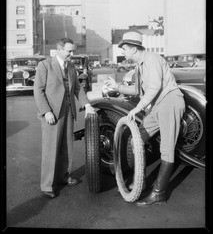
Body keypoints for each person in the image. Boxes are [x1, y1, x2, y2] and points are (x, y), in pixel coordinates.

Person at [105, 31, 185, 206]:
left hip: (169, 102)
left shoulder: (152, 59)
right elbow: (136, 91)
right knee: (137, 138)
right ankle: (139, 180)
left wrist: (138, 109)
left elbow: (155, 86)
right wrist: (117, 86)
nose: (123, 52)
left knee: (167, 149)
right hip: (157, 106)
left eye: (124, 49)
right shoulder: (140, 65)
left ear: (133, 48)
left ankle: (159, 193)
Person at [34, 37, 95, 199]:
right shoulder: (44, 65)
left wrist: (87, 105)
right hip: (52, 114)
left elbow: (77, 88)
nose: (72, 54)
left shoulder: (71, 66)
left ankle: (62, 177)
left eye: (73, 51)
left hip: (68, 112)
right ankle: (47, 185)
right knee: (50, 149)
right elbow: (38, 91)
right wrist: (46, 111)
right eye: (69, 51)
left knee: (66, 147)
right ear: (59, 50)